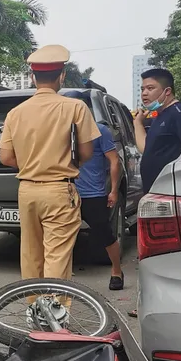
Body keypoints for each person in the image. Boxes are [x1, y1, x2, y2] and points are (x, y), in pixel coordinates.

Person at [0, 45, 100, 280]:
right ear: (62, 75)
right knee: (57, 255)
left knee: (31, 254)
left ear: (32, 77)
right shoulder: (75, 107)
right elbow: (86, 152)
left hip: (27, 191)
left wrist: (31, 163)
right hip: (58, 189)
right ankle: (55, 312)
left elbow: (6, 157)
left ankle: (33, 308)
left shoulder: (16, 112)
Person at [72, 111, 125, 290]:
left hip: (93, 193)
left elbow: (114, 161)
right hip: (67, 192)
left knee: (104, 234)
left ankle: (116, 271)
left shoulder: (100, 131)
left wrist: (113, 191)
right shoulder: (63, 130)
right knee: (63, 234)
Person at [134, 67, 181, 191]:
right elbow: (146, 149)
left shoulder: (180, 114)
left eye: (150, 88)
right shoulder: (159, 116)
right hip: (154, 191)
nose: (144, 93)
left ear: (167, 91)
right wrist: (138, 124)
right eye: (142, 89)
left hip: (173, 191)